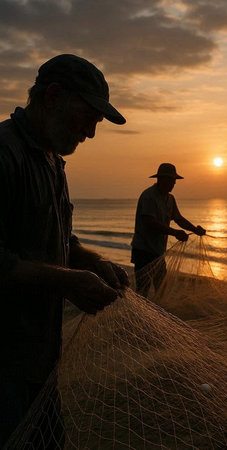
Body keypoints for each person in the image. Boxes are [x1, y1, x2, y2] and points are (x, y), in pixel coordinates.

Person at [0, 54, 129, 448]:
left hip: (40, 357)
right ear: (53, 96)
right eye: (87, 116)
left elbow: (57, 237)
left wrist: (91, 260)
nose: (90, 133)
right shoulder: (4, 154)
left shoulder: (53, 160)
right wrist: (67, 282)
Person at [131, 163, 206, 296]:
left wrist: (195, 229)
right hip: (143, 250)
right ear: (161, 179)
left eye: (174, 181)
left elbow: (179, 219)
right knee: (143, 289)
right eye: (171, 180)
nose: (173, 184)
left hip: (158, 252)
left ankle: (156, 314)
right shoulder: (149, 196)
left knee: (161, 287)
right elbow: (150, 222)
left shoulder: (170, 199)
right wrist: (175, 232)